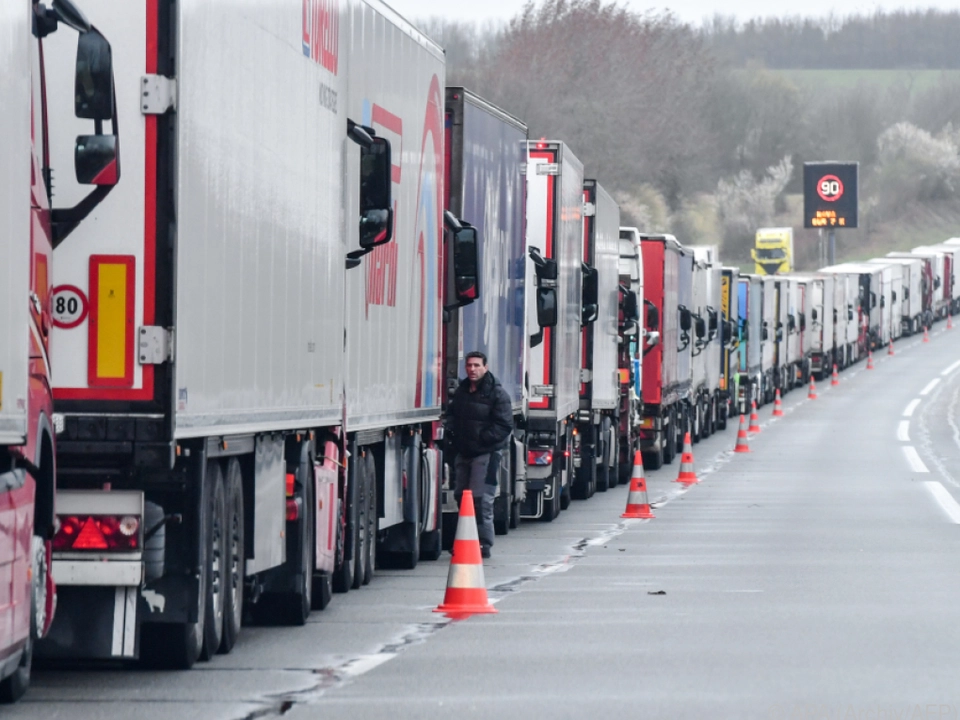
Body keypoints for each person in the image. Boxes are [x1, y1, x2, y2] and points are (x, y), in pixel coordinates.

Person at [447, 351, 513, 559]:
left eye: (476, 365)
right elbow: (452, 416)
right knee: (461, 498)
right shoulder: (462, 392)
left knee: (481, 499)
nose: (472, 369)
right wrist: (454, 437)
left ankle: (483, 544)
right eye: (469, 365)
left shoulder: (497, 394)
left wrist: (482, 438)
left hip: (485, 454)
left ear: (485, 367)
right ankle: (465, 541)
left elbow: (504, 425)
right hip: (463, 453)